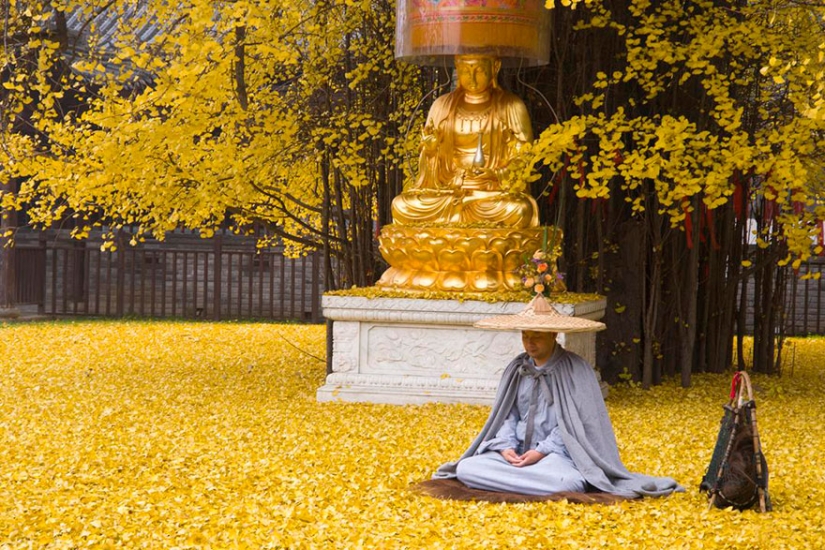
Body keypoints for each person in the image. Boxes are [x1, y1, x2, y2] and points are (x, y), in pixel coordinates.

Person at [434, 295, 685, 498]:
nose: (529, 343)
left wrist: (541, 452)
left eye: (537, 337)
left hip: (556, 459)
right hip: (515, 455)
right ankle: (522, 481)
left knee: (570, 482)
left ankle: (518, 483)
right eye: (525, 336)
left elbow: (579, 426)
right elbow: (506, 415)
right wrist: (506, 448)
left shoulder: (576, 369)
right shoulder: (516, 368)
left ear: (554, 334)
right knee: (468, 468)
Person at [391, 54, 539, 228]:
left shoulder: (511, 106)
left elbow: (525, 156)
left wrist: (496, 174)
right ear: (456, 67)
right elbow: (429, 167)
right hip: (449, 189)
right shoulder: (442, 105)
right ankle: (462, 220)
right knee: (401, 205)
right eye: (465, 71)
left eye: (479, 70)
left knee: (519, 209)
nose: (472, 78)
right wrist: (430, 151)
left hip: (491, 193)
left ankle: (459, 221)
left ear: (495, 67)